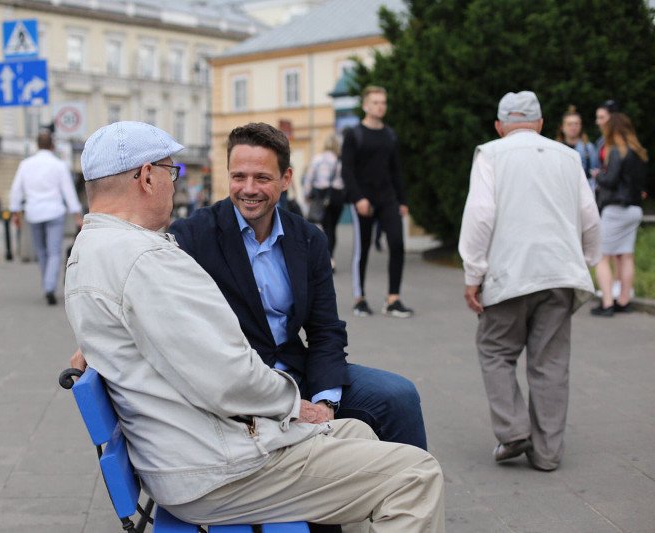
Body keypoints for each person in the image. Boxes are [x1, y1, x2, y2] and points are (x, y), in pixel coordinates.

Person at [65, 120, 445, 531]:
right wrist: (291, 405)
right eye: (171, 172)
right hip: (216, 468)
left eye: (261, 177)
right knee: (417, 474)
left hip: (192, 451)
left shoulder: (89, 250)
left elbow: (323, 331)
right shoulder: (149, 258)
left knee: (356, 431)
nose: (174, 185)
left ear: (284, 180)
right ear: (145, 177)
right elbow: (228, 379)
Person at [458, 91, 600, 471]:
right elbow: (590, 216)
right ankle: (549, 452)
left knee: (495, 351)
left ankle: (513, 430)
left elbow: (480, 216)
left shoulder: (490, 153)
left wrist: (473, 274)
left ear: (499, 126)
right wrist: (582, 264)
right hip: (559, 274)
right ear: (540, 124)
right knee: (550, 362)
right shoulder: (568, 156)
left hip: (508, 273)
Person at [341, 86, 412, 318]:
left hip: (388, 198)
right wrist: (358, 198)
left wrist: (402, 200)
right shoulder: (354, 134)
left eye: (383, 102)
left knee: (398, 245)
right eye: (375, 102)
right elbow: (347, 171)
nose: (380, 106)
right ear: (365, 105)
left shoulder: (390, 134)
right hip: (363, 200)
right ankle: (359, 299)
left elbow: (396, 170)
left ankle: (393, 299)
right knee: (362, 250)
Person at [9, 132, 82, 305]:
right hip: (54, 212)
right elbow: (68, 192)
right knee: (54, 251)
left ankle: (46, 285)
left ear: (37, 145)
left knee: (41, 251)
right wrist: (77, 214)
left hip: (33, 213)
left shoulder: (25, 165)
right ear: (52, 145)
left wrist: (15, 212)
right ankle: (50, 286)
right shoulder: (59, 165)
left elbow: (16, 189)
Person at [591, 113, 648, 317]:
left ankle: (607, 303)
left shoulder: (616, 152)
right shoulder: (639, 152)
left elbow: (611, 180)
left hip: (615, 209)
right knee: (626, 255)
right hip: (634, 209)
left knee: (601, 257)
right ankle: (624, 300)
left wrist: (599, 175)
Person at [302, 132, 346, 271]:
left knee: (325, 228)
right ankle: (331, 258)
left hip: (322, 195)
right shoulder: (340, 161)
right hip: (337, 196)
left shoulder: (318, 159)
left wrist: (307, 194)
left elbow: (309, 178)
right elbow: (345, 180)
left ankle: (328, 259)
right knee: (332, 228)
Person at [556, 105, 600, 190]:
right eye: (569, 124)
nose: (573, 127)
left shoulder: (589, 148)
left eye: (576, 124)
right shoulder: (555, 148)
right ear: (562, 127)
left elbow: (595, 173)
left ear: (581, 126)